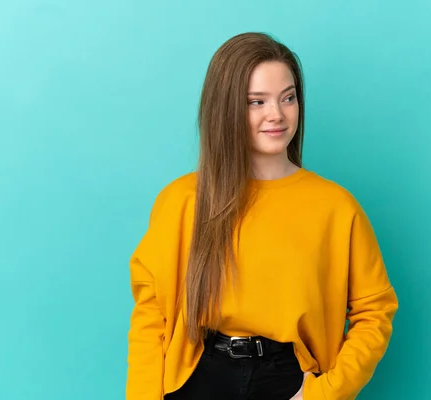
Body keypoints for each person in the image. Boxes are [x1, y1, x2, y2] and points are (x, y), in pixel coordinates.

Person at [125, 32, 399, 400]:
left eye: (288, 97)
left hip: (288, 380)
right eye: (257, 102)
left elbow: (375, 311)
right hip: (196, 375)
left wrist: (325, 394)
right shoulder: (182, 201)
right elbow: (151, 315)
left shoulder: (335, 206)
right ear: (225, 109)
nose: (277, 114)